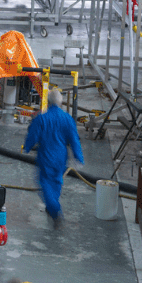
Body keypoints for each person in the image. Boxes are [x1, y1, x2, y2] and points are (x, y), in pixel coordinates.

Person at [23, 89, 84, 229]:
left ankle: (55, 211)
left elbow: (33, 135)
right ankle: (51, 207)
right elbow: (74, 139)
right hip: (61, 157)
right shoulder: (67, 118)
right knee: (56, 182)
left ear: (48, 102)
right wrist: (78, 157)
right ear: (60, 102)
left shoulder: (42, 118)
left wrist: (27, 147)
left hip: (46, 156)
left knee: (44, 183)